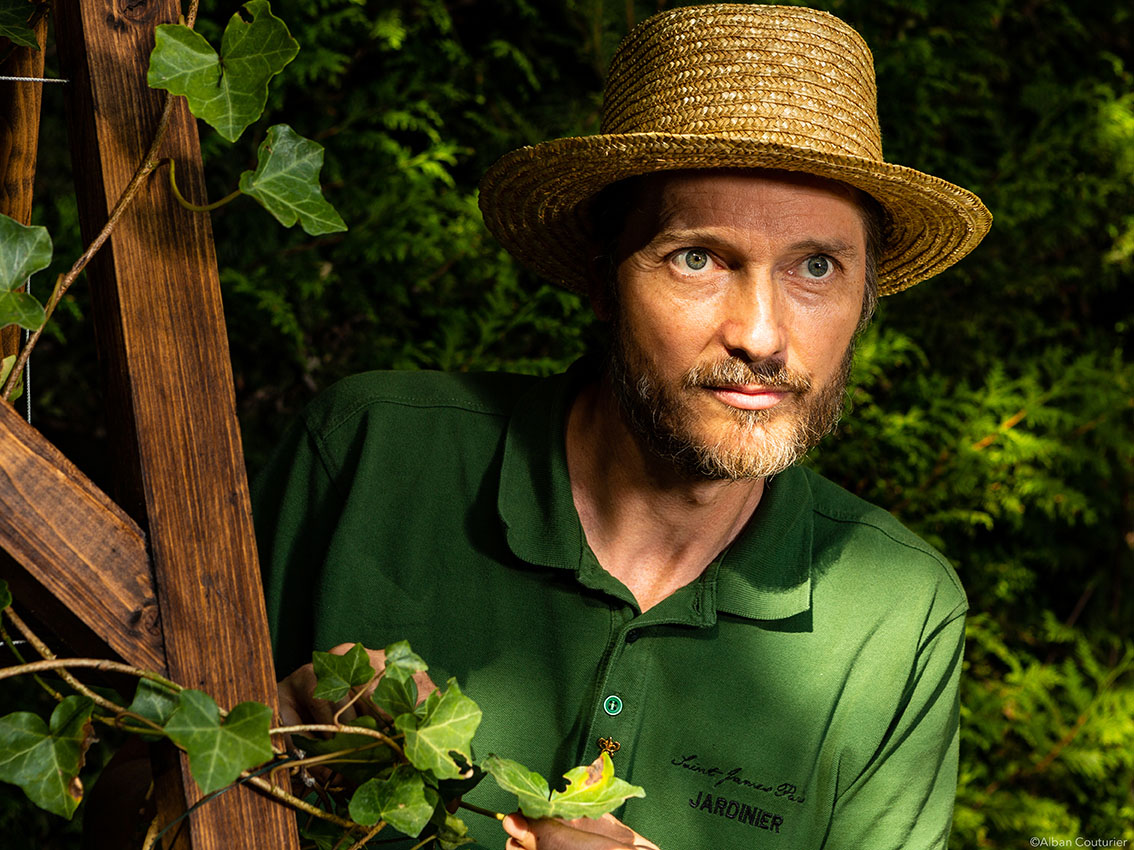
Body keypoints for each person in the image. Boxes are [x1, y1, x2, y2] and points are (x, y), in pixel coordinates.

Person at [256, 4, 992, 849]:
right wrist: (277, 749)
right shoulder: (369, 452)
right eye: (698, 258)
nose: (760, 334)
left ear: (865, 300)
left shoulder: (899, 613)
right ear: (604, 280)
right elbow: (127, 788)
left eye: (816, 267)